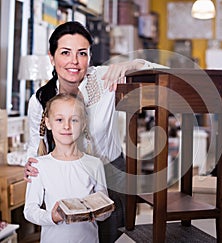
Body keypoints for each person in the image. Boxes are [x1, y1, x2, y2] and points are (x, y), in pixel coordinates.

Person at [23, 21, 166, 242]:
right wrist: (31, 165)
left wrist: (131, 65)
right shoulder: (40, 99)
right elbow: (36, 143)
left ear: (90, 56)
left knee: (111, 237)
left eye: (82, 53)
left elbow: (166, 75)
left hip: (111, 176)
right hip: (67, 179)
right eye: (65, 52)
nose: (74, 61)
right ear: (52, 57)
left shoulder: (103, 78)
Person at [24, 93, 110, 243]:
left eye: (74, 120)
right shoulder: (39, 165)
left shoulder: (95, 164)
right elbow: (30, 210)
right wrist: (51, 216)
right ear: (48, 123)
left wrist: (100, 212)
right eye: (59, 119)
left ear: (83, 124)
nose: (66, 126)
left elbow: (105, 211)